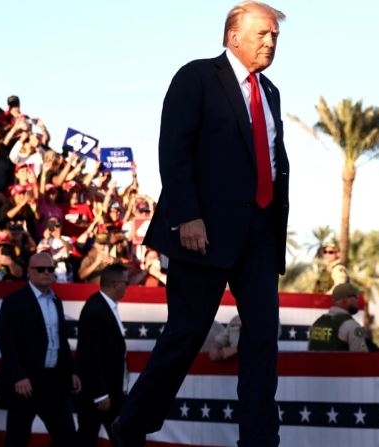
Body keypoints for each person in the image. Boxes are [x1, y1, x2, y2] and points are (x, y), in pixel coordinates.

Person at [111, 3, 290, 447]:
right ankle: (131, 425)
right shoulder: (197, 77)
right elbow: (174, 149)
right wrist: (187, 215)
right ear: (233, 36)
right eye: (262, 34)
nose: (270, 42)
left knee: (263, 338)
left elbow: (270, 160)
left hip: (260, 235)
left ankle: (259, 439)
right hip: (203, 233)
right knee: (186, 335)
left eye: (275, 36)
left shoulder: (270, 92)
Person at [0, 252, 81, 447]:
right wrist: (18, 375)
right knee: (18, 438)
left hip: (54, 381)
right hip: (26, 382)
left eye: (50, 269)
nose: (46, 273)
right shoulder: (14, 300)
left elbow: (61, 341)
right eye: (40, 269)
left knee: (67, 435)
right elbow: (7, 342)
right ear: (29, 272)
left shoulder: (56, 301)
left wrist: (71, 371)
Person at [76, 264, 129, 447]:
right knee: (89, 437)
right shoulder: (95, 310)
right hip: (100, 394)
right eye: (126, 282)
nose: (127, 286)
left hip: (111, 391)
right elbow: (91, 355)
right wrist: (100, 394)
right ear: (115, 284)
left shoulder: (105, 306)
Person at [308, 283, 367, 352]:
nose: (357, 300)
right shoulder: (352, 326)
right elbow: (362, 357)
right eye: (355, 297)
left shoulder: (318, 322)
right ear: (345, 300)